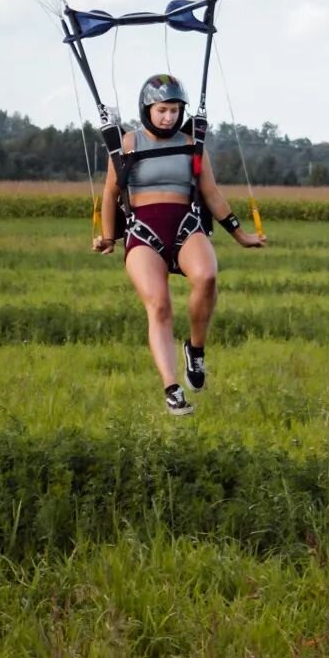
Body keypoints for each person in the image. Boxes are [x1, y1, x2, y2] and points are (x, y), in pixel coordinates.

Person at [92, 72, 266, 413]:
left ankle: (196, 350)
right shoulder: (128, 144)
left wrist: (239, 233)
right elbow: (111, 193)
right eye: (162, 110)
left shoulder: (192, 144)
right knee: (159, 305)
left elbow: (211, 192)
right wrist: (109, 238)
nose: (169, 116)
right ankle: (172, 387)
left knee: (207, 277)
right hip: (143, 230)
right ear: (147, 110)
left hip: (186, 224)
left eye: (174, 110)